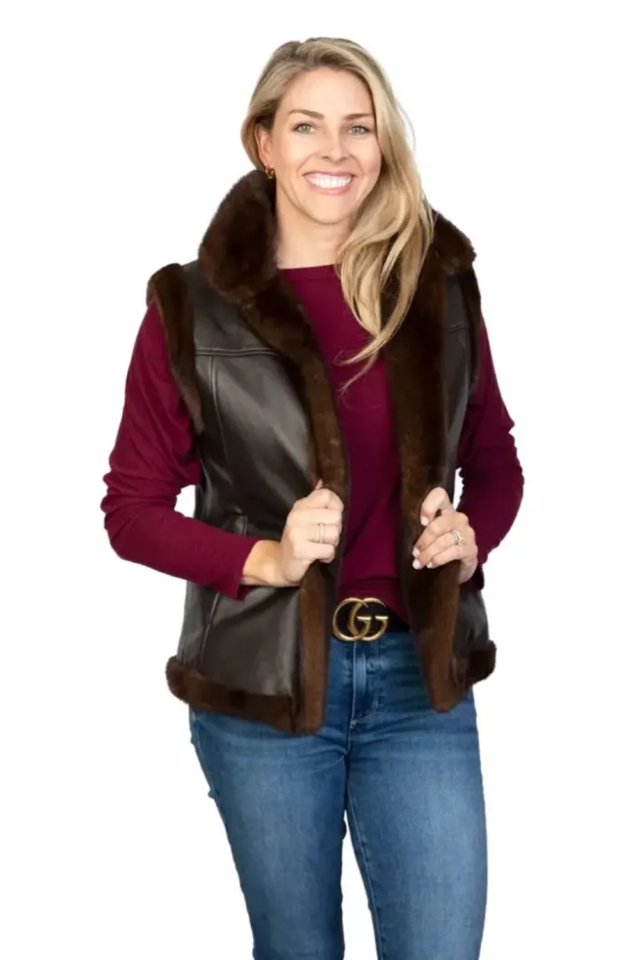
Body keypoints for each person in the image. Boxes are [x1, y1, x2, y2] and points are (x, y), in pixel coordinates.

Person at [101, 36, 524, 960]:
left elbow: (495, 460)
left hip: (419, 680)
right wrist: (268, 557)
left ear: (383, 144)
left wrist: (472, 537)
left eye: (358, 127)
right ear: (263, 143)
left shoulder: (439, 289)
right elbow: (130, 510)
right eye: (306, 126)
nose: (334, 150)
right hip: (265, 690)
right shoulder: (189, 309)